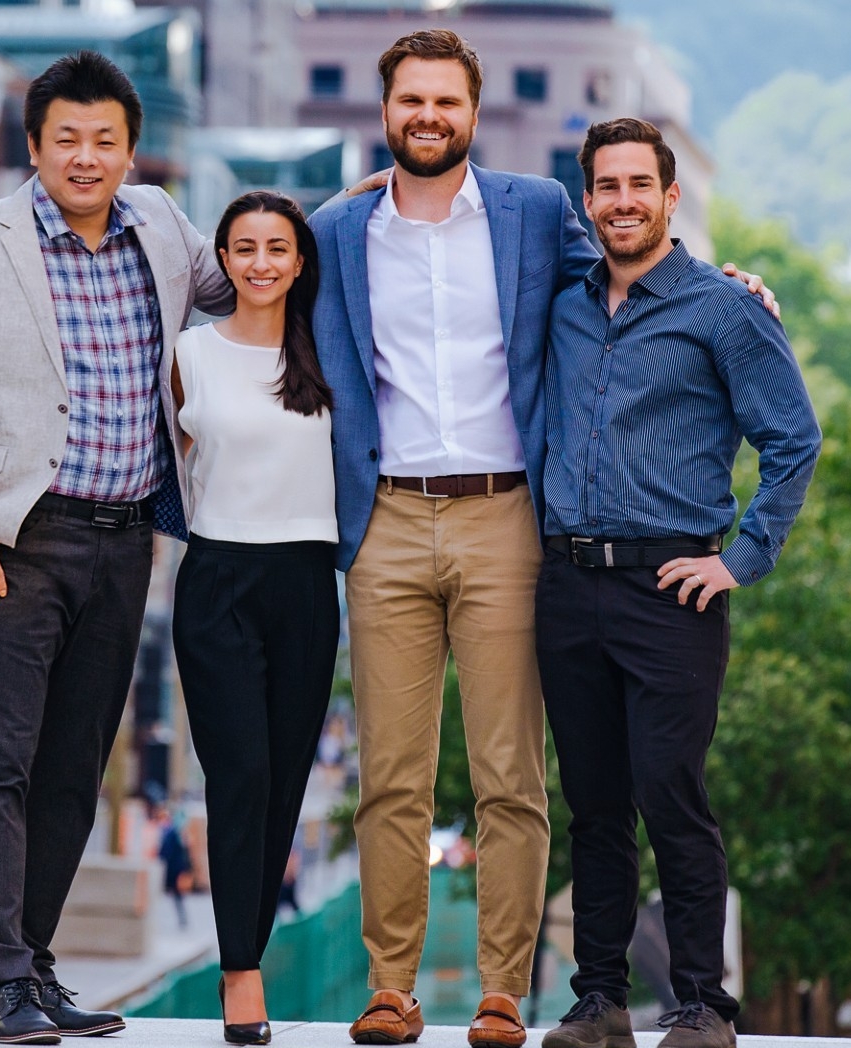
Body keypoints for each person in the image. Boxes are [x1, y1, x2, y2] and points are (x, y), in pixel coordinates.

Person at [308, 31, 776, 1048]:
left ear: (472, 114)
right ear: (382, 112)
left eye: (445, 101)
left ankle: (502, 993)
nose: (426, 116)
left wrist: (734, 291)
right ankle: (391, 989)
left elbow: (640, 272)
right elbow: (245, 283)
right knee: (392, 771)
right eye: (409, 101)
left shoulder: (533, 214)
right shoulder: (337, 231)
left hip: (505, 520)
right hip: (384, 517)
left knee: (510, 773)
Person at [0, 48, 233, 1046]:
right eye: (66, 140)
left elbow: (259, 275)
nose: (85, 158)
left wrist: (357, 212)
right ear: (35, 146)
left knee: (73, 768)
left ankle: (34, 964)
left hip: (128, 536)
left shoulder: (165, 230)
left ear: (132, 150)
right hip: (18, 540)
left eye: (104, 140)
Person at [536, 118, 821, 1048]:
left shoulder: (723, 308)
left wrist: (740, 558)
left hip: (673, 589)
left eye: (637, 186)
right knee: (595, 806)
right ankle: (599, 1001)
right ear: (588, 203)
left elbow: (793, 439)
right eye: (605, 187)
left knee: (672, 794)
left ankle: (703, 1004)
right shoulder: (565, 302)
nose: (621, 201)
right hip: (569, 582)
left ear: (670, 197)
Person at [170, 190, 340, 1047]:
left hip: (308, 581)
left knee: (284, 782)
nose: (262, 262)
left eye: (279, 247)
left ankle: (249, 944)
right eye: (245, 248)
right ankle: (242, 971)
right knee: (236, 776)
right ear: (223, 260)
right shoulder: (190, 354)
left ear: (301, 260)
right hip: (218, 580)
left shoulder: (330, 350)